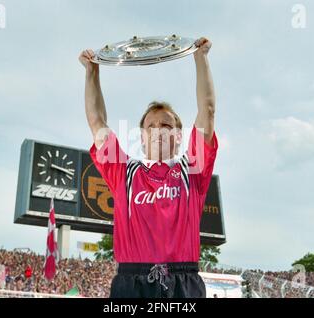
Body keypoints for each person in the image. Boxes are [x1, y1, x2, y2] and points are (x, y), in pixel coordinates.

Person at [79, 37, 218, 298]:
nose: (157, 131)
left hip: (183, 283)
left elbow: (208, 111)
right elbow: (97, 121)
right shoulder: (124, 173)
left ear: (178, 136)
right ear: (141, 137)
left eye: (166, 126)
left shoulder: (192, 170)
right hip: (131, 283)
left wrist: (201, 59)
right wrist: (91, 72)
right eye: (150, 127)